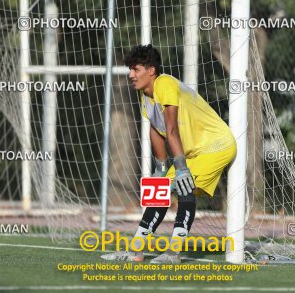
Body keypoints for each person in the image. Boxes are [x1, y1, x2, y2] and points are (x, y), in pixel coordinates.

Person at [101, 44, 236, 263]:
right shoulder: (145, 94)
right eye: (130, 70)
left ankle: (174, 253)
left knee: (184, 188)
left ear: (151, 70)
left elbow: (171, 129)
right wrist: (160, 168)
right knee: (159, 192)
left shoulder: (165, 84)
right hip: (192, 152)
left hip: (216, 145)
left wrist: (181, 168)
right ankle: (136, 251)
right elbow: (156, 129)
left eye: (136, 70)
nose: (131, 75)